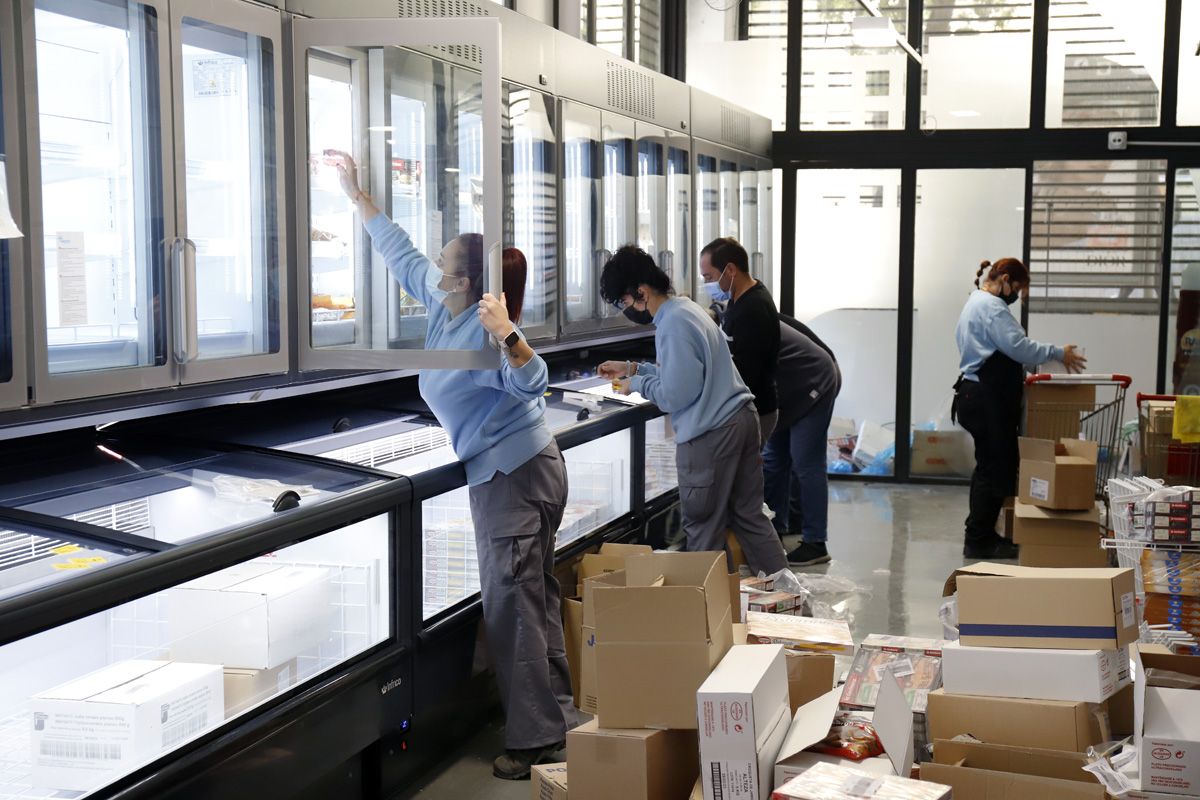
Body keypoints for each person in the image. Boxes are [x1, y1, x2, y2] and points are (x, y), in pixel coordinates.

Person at [328, 151, 576, 780]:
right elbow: (402, 255)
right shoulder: (445, 311)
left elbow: (534, 383)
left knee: (514, 608)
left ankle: (535, 741)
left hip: (513, 479)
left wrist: (509, 333)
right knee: (535, 599)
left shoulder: (487, 331)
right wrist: (359, 196)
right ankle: (559, 715)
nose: (433, 267)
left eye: (445, 263)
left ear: (464, 280)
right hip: (519, 472)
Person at [596, 245, 788, 575]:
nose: (626, 310)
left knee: (703, 532)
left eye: (624, 303)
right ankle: (792, 607)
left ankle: (710, 621)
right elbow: (687, 372)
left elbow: (676, 394)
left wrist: (635, 386)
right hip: (741, 419)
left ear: (640, 291)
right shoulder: (685, 309)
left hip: (711, 435)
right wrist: (633, 369)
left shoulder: (671, 324)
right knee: (751, 518)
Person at [954, 257, 1087, 560]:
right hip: (986, 398)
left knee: (988, 466)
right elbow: (1018, 346)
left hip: (977, 395)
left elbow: (1006, 349)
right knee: (995, 468)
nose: (1016, 295)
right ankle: (979, 540)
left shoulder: (976, 301)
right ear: (1002, 278)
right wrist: (1058, 353)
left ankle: (980, 532)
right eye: (1016, 288)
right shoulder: (991, 307)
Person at [763, 315, 842, 566]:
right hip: (787, 391)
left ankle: (815, 542)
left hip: (815, 382)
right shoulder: (737, 315)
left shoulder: (744, 319)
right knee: (774, 459)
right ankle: (775, 530)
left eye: (709, 275)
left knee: (806, 462)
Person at [700, 237, 781, 446]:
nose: (707, 284)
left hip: (755, 411)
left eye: (709, 277)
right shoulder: (740, 299)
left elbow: (745, 373)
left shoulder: (753, 309)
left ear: (730, 271)